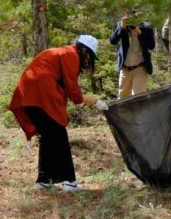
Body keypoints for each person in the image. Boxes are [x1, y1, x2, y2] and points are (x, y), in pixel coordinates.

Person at [9, 35, 108, 192]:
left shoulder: (61, 52)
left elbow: (65, 87)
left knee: (49, 138)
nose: (89, 59)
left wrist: (82, 99)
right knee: (59, 136)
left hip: (28, 96)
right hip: (40, 96)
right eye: (89, 55)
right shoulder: (71, 55)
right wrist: (95, 102)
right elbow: (73, 89)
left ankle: (44, 181)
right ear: (83, 50)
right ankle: (69, 182)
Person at [109, 9, 156, 98]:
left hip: (140, 68)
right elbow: (112, 41)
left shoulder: (146, 26)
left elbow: (151, 46)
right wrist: (121, 28)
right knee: (122, 98)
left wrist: (139, 33)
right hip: (125, 69)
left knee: (138, 99)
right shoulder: (122, 24)